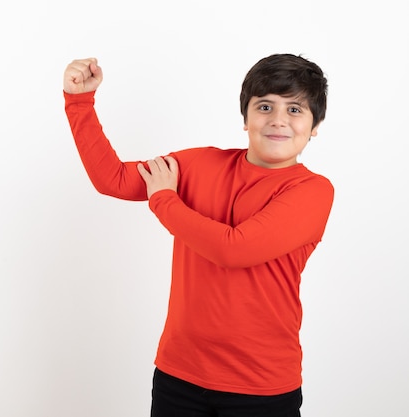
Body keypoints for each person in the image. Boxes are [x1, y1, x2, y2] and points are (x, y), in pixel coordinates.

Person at [62, 53, 334, 417]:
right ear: (246, 118)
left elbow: (234, 250)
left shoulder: (312, 191)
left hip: (260, 386)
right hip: (179, 377)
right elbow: (112, 179)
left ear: (315, 125)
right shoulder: (199, 164)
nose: (278, 121)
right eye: (265, 106)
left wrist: (164, 200)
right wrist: (79, 101)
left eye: (296, 110)